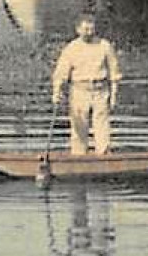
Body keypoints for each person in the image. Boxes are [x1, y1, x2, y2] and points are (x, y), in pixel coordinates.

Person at [51, 14, 122, 155]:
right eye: (85, 29)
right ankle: (79, 157)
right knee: (79, 128)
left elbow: (114, 73)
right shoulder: (71, 48)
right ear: (78, 30)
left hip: (100, 90)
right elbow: (60, 73)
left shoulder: (105, 46)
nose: (89, 32)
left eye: (91, 29)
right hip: (79, 90)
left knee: (102, 126)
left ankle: (104, 157)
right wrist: (56, 92)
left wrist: (114, 95)